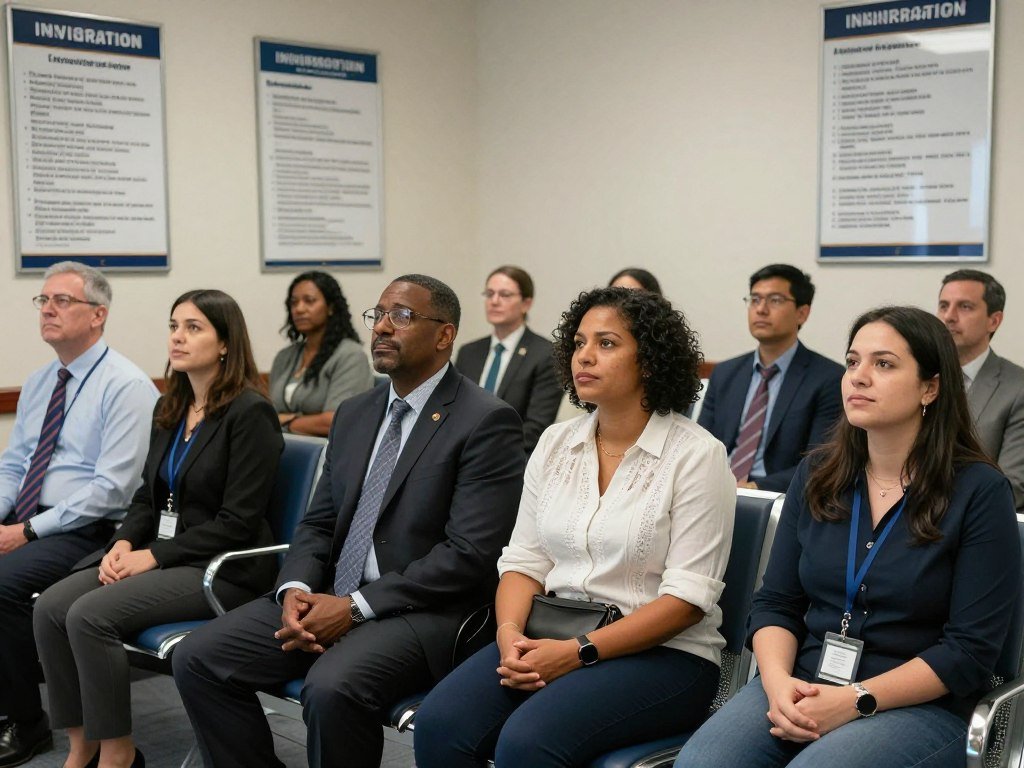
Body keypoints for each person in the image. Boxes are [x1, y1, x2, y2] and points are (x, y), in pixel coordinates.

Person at [172, 274, 526, 768]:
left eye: (400, 316)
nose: (381, 327)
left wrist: (356, 607)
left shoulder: (485, 420)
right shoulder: (357, 413)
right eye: (377, 315)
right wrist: (294, 588)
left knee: (332, 687)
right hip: (330, 595)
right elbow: (318, 522)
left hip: (423, 612)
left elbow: (468, 554)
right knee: (198, 657)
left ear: (444, 335)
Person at [677, 306, 1021, 768]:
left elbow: (969, 651)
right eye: (853, 361)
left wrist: (854, 699)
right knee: (703, 764)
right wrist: (777, 685)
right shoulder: (818, 473)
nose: (858, 377)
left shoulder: (979, 491)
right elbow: (776, 603)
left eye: (883, 364)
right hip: (803, 682)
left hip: (919, 705)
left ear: (931, 387)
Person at [414, 286, 735, 768]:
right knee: (441, 723)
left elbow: (686, 603)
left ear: (649, 361)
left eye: (606, 344)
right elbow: (524, 561)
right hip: (550, 629)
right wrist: (508, 635)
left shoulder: (696, 455)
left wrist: (576, 653)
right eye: (580, 343)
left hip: (665, 655)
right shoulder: (556, 442)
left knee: (528, 742)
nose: (584, 356)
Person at [32, 289, 282, 768]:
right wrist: (124, 541)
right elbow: (148, 499)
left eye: (194, 328)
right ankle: (82, 748)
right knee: (51, 607)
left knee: (88, 615)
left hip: (222, 569)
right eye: (173, 326)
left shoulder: (250, 413)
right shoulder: (172, 405)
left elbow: (238, 522)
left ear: (226, 343)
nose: (178, 337)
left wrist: (151, 556)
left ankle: (119, 754)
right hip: (164, 554)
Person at [0, 262, 157, 768]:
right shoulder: (42, 380)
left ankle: (27, 723)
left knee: (2, 584)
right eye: (42, 300)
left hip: (96, 528)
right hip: (33, 519)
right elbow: (16, 463)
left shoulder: (127, 386)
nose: (47, 309)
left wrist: (24, 531)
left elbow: (110, 491)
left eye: (61, 301)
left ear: (98, 315)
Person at [698, 263, 843, 492]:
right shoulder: (725, 373)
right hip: (713, 488)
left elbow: (822, 462)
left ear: (802, 312)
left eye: (775, 300)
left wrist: (754, 487)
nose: (761, 309)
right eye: (755, 299)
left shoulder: (828, 379)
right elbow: (698, 446)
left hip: (775, 497)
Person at [937, 269, 1024, 510]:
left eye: (964, 307)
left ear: (994, 320)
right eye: (944, 306)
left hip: (974, 521)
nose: (949, 316)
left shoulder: (1018, 389)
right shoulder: (919, 378)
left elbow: (1013, 486)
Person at [455, 266, 562, 454]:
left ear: (526, 304)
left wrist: (484, 449)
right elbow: (455, 410)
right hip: (463, 454)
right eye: (489, 294)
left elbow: (537, 426)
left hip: (513, 459)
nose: (494, 301)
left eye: (504, 295)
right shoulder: (469, 352)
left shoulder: (545, 353)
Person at [269, 271, 375, 437]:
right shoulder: (285, 357)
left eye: (309, 301)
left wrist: (286, 421)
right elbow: (269, 414)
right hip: (283, 448)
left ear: (331, 307)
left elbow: (337, 421)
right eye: (294, 303)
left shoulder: (350, 355)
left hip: (329, 452)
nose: (299, 309)